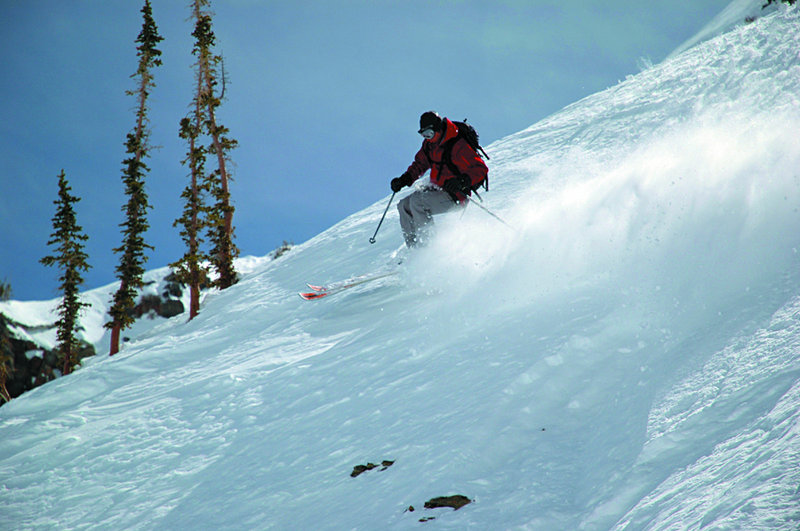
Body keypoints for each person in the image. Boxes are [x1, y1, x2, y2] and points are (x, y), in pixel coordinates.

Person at [390, 111, 489, 247]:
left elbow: (480, 168)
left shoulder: (457, 144)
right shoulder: (429, 145)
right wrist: (405, 179)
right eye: (424, 135)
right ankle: (413, 248)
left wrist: (461, 181)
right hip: (437, 190)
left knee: (417, 202)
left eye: (429, 134)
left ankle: (427, 247)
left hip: (455, 194)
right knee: (403, 205)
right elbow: (420, 164)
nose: (427, 138)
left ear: (438, 129)